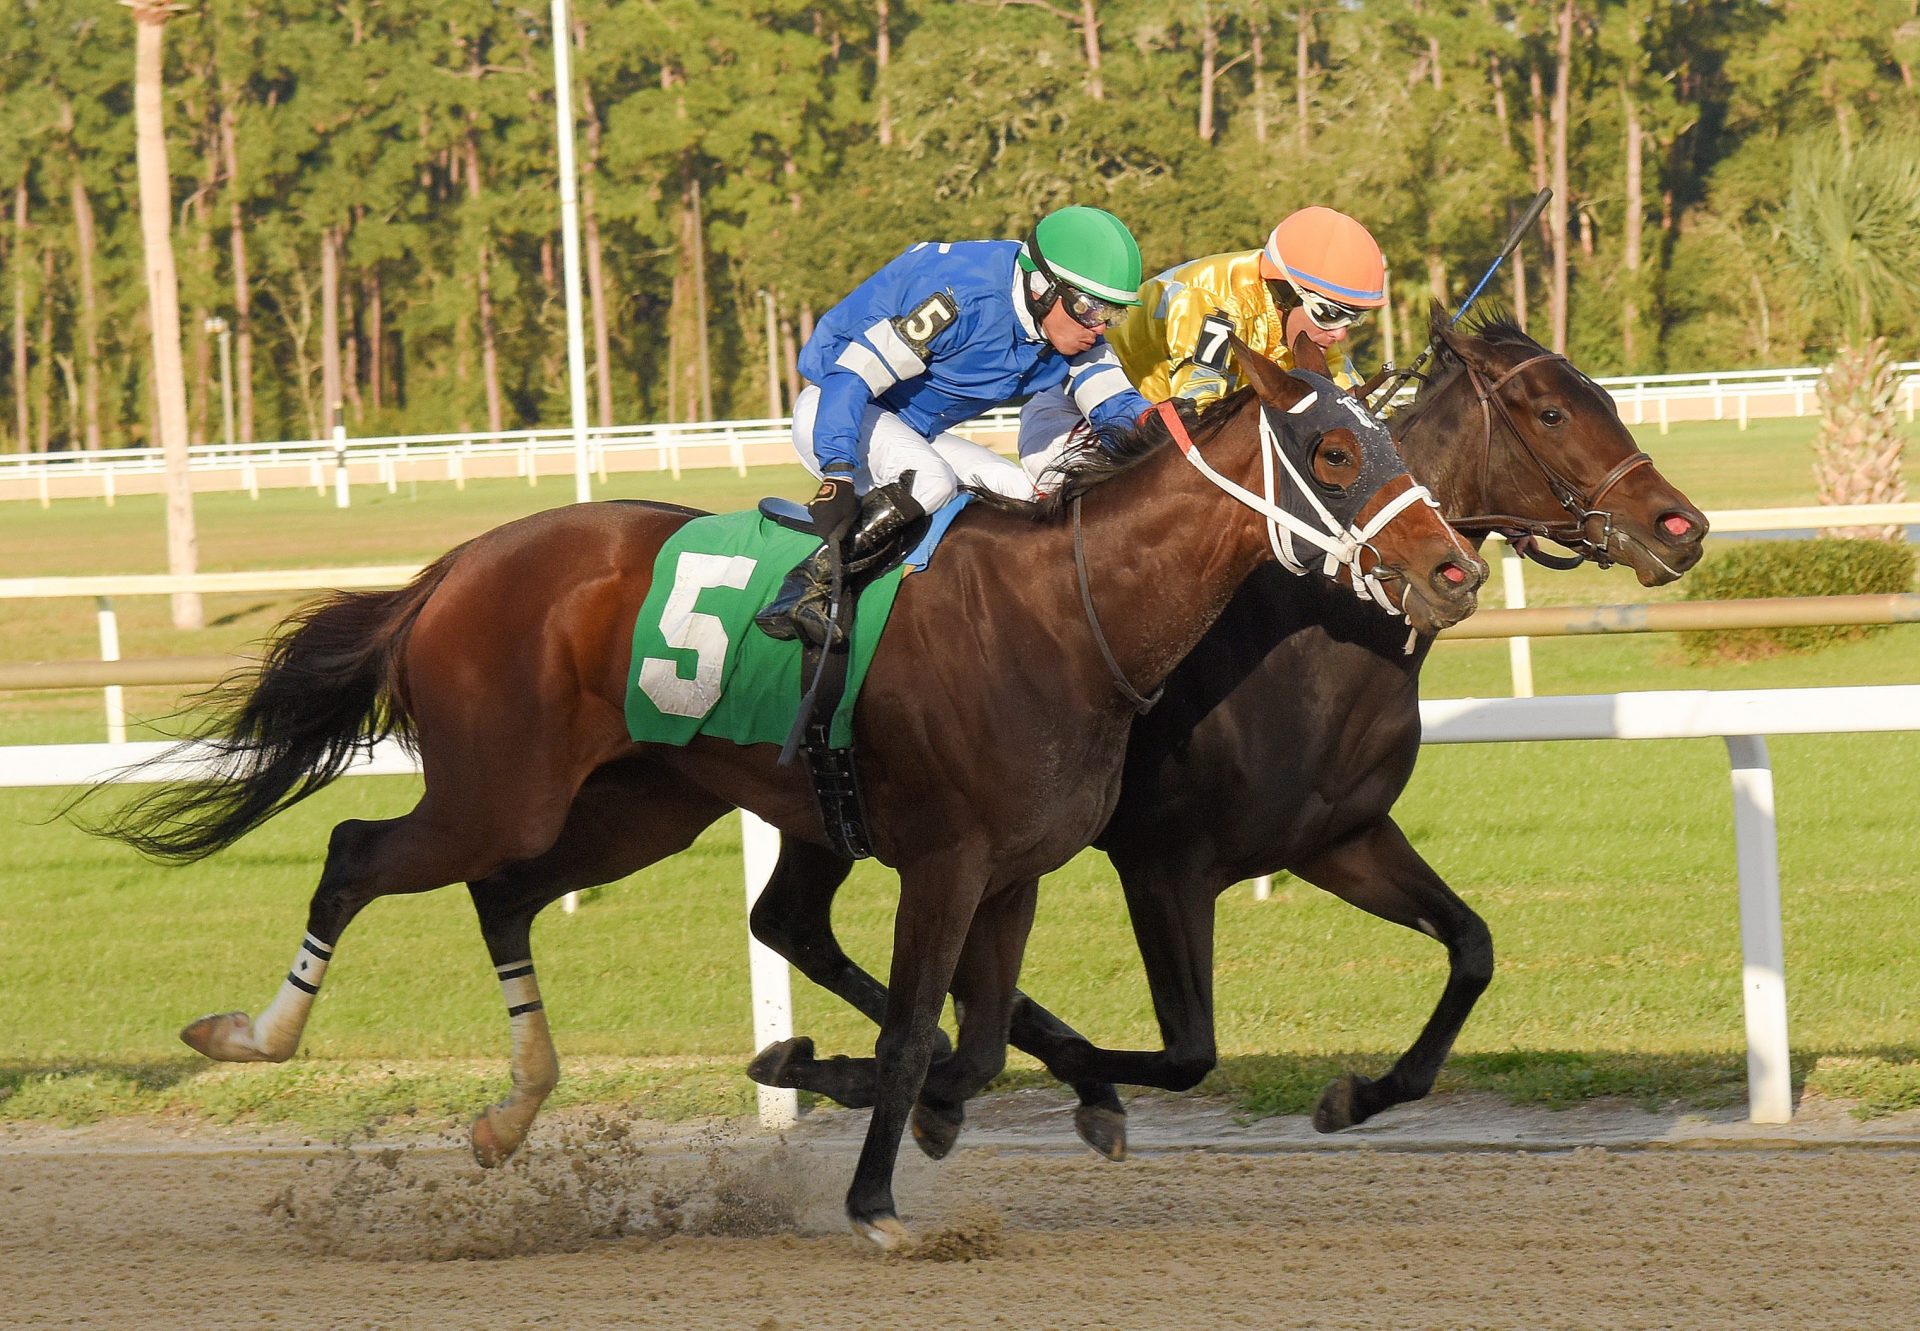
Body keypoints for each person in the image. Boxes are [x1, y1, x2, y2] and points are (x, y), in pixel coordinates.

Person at [757, 205, 1156, 647]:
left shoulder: (1067, 326)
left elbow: (1115, 405)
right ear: (1043, 288)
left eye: (1111, 313)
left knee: (1028, 496)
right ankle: (805, 587)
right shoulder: (957, 299)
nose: (1098, 327)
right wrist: (837, 469)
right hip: (835, 408)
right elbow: (849, 378)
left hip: (909, 431)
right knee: (932, 480)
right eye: (1088, 308)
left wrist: (1162, 428)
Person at [1018, 205, 1387, 486]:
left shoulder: (1308, 329)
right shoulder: (1215, 304)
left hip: (1150, 429)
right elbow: (1202, 422)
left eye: (1353, 319)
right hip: (1073, 414)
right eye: (1330, 314)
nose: (1340, 334)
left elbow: (1354, 411)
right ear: (1286, 292)